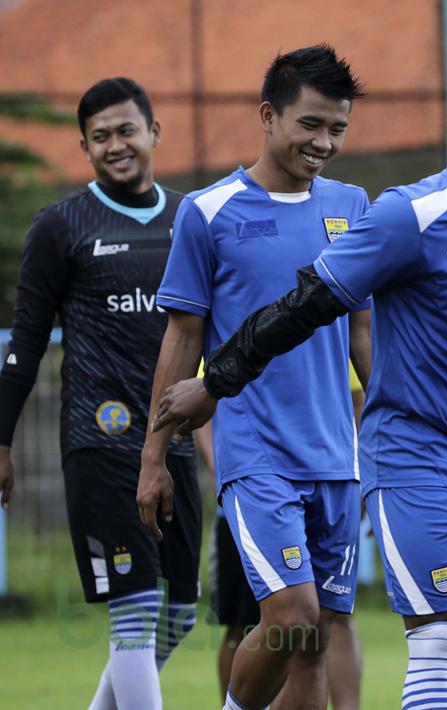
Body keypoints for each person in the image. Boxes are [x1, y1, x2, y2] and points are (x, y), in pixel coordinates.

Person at [150, 74, 447, 710]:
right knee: (433, 643)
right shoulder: (413, 214)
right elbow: (309, 303)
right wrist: (216, 382)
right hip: (415, 460)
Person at [138, 45, 370, 710]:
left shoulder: (353, 207)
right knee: (291, 617)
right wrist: (154, 457)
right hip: (256, 455)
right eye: (310, 125)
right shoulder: (207, 212)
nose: (324, 143)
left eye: (337, 129)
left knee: (312, 642)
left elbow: (364, 334)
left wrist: (395, 420)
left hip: (336, 456)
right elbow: (181, 339)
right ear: (268, 116)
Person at [0, 77, 197, 710]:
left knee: (181, 616)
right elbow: (25, 344)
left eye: (126, 130)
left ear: (154, 132)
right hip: (100, 440)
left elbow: (211, 339)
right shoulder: (60, 226)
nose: (116, 145)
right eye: (100, 136)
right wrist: (1, 442)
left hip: (175, 445)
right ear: (84, 146)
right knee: (134, 617)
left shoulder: (190, 219)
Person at [207, 362, 368, 709]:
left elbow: (360, 393)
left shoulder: (336, 314)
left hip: (333, 478)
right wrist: (217, 472)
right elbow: (202, 396)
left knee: (318, 633)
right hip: (255, 485)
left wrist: (368, 466)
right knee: (256, 623)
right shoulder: (235, 323)